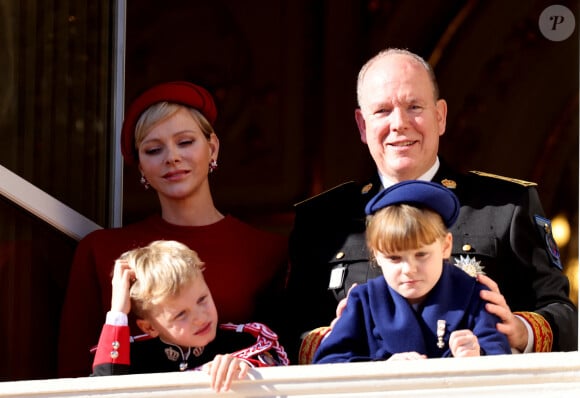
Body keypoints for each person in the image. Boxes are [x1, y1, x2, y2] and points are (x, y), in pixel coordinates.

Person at [288, 48, 577, 364]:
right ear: (361, 125)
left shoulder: (505, 205)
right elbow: (284, 330)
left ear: (440, 116)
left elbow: (566, 317)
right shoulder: (321, 219)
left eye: (414, 106)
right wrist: (328, 339)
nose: (399, 123)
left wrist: (520, 331)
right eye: (383, 111)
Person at [59, 81, 289, 377]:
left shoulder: (267, 250)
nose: (172, 157)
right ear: (141, 166)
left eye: (185, 142)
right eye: (154, 149)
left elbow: (284, 365)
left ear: (213, 147)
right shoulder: (102, 251)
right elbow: (72, 373)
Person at [312, 180, 511, 364]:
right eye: (394, 258)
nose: (409, 270)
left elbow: (503, 363)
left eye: (421, 254)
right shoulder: (364, 300)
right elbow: (327, 364)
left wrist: (477, 356)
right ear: (376, 255)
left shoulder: (474, 295)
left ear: (445, 246)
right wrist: (380, 370)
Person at [91, 240, 288, 393]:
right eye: (181, 314)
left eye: (202, 299)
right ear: (149, 328)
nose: (200, 318)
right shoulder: (131, 358)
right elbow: (103, 392)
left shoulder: (243, 343)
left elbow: (286, 383)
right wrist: (117, 313)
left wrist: (248, 371)